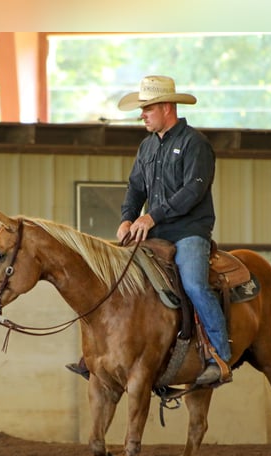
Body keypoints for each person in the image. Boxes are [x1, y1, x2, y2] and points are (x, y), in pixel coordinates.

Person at [67, 75, 231, 386]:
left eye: (148, 108)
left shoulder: (195, 144)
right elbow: (135, 187)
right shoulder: (146, 147)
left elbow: (192, 192)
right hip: (152, 231)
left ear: (167, 107)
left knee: (195, 284)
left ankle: (219, 356)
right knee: (115, 276)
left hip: (188, 231)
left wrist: (151, 217)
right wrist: (128, 217)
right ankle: (100, 353)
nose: (142, 114)